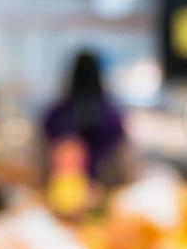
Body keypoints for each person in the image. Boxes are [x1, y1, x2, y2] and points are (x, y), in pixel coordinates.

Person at [41, 50, 130, 187]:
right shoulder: (111, 115)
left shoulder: (56, 114)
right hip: (103, 186)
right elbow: (121, 154)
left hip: (63, 187)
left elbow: (44, 152)